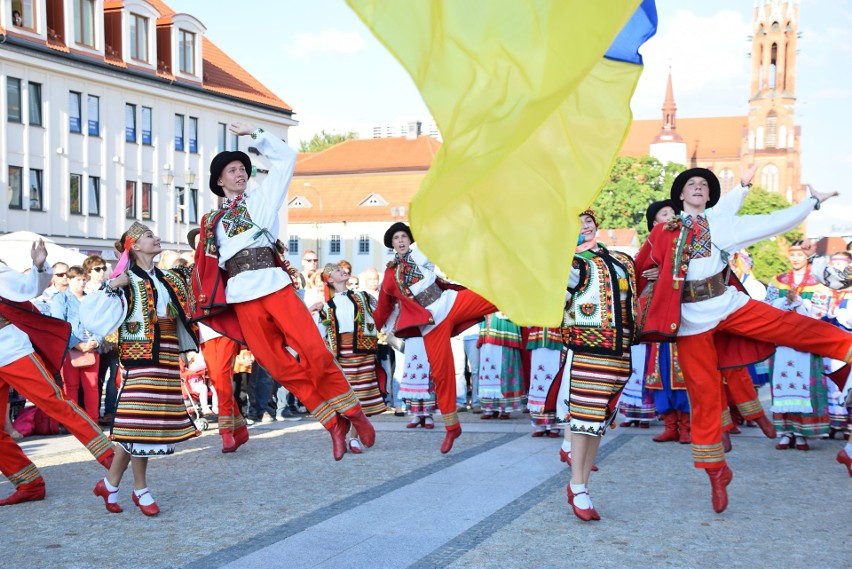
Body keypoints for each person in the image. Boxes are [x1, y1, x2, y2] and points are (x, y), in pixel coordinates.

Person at [634, 165, 851, 514]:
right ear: (680, 195)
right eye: (691, 184)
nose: (698, 187)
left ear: (709, 195)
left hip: (726, 303)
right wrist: (653, 275)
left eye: (703, 184)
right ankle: (717, 472)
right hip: (689, 320)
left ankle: (845, 347)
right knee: (703, 397)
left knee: (788, 325)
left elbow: (773, 222)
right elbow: (639, 268)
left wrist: (811, 201)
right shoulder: (664, 231)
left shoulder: (722, 223)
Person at [190, 122, 375, 461]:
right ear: (220, 181)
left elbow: (287, 158)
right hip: (242, 297)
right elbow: (206, 268)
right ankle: (332, 422)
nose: (240, 174)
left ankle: (355, 413)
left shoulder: (262, 197)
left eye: (243, 168)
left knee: (314, 352)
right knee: (278, 366)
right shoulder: (211, 222)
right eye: (232, 171)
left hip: (274, 286)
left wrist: (254, 134)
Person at [84, 223, 199, 516]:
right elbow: (94, 317)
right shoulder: (124, 279)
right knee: (138, 422)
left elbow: (197, 285)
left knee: (139, 423)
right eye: (149, 236)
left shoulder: (168, 277)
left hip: (168, 353)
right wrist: (111, 286)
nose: (156, 238)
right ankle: (140, 489)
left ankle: (110, 484)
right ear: (134, 245)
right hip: (141, 355)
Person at [0, 241, 114, 506]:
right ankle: (29, 484)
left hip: (10, 349)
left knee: (54, 402)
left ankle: (109, 454)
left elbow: (29, 288)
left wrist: (40, 265)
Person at [373, 221, 497, 453]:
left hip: (450, 302)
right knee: (441, 372)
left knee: (495, 294)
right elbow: (382, 309)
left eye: (403, 237)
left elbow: (445, 234)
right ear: (392, 245)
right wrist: (369, 331)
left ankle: (540, 292)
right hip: (431, 324)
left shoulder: (422, 253)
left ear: (410, 240)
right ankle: (452, 427)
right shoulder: (389, 275)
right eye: (396, 239)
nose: (400, 241)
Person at [551, 210, 636, 522]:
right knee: (584, 419)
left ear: (596, 226)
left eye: (587, 221)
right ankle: (578, 485)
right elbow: (557, 300)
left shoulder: (621, 260)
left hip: (621, 348)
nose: (583, 226)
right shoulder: (570, 264)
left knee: (599, 421)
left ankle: (581, 485)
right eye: (576, 223)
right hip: (588, 348)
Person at [764, 241, 832, 450]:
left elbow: (822, 311)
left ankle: (802, 433)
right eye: (792, 254)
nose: (795, 258)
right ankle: (785, 432)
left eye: (800, 255)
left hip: (805, 343)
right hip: (782, 343)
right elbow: (767, 307)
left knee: (805, 386)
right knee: (781, 384)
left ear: (806, 257)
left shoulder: (818, 283)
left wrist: (800, 303)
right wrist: (786, 303)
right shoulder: (779, 281)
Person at [186, 228, 247, 452]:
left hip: (227, 328)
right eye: (199, 241)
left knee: (221, 376)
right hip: (204, 331)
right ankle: (239, 428)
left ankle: (226, 433)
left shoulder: (227, 265)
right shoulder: (191, 271)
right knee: (217, 377)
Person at [319, 264, 387, 453]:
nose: (342, 271)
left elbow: (383, 310)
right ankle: (341, 431)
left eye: (343, 269)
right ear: (330, 280)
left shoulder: (364, 296)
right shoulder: (327, 306)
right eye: (337, 270)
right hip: (341, 353)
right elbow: (319, 333)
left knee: (361, 394)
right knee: (346, 394)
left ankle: (354, 438)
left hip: (363, 350)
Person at [50, 265, 102, 421]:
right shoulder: (61, 298)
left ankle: (93, 420)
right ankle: (74, 422)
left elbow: (101, 322)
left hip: (91, 348)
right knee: (71, 387)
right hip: (69, 349)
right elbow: (59, 324)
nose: (82, 283)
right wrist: (76, 344)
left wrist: (96, 341)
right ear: (70, 280)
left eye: (84, 279)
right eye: (78, 280)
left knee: (92, 387)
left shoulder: (92, 298)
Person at [83, 255, 119, 426]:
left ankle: (110, 412)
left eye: (103, 268)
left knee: (113, 377)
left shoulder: (109, 287)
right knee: (96, 378)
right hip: (93, 338)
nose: (102, 272)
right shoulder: (85, 289)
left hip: (112, 338)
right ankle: (93, 411)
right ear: (89, 271)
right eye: (98, 269)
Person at [477, 312, 524, 419]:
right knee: (488, 367)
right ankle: (490, 407)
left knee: (504, 366)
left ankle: (504, 408)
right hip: (488, 322)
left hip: (504, 325)